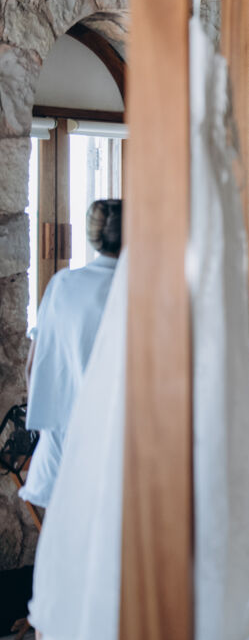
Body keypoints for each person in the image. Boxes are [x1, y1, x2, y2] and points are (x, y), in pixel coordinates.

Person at [21, 199, 123, 508]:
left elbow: (32, 367)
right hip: (116, 452)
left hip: (59, 448)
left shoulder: (61, 284)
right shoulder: (138, 291)